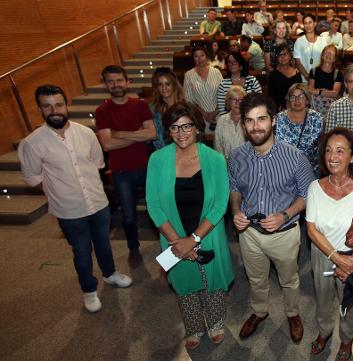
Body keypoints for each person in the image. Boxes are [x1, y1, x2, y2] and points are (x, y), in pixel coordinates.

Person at [19, 85, 132, 313]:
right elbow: (32, 177)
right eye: (47, 106)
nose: (54, 110)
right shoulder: (32, 143)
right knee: (81, 251)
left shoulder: (86, 133)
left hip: (98, 203)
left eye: (58, 104)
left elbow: (98, 163)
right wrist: (57, 191)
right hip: (69, 210)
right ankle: (89, 290)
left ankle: (110, 274)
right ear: (40, 109)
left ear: (66, 104)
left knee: (103, 244)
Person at [145, 101, 234, 349]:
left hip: (207, 232)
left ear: (197, 128)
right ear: (168, 131)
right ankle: (193, 326)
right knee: (184, 283)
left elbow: (220, 204)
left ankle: (215, 322)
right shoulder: (157, 160)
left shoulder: (215, 159)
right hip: (173, 235)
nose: (181, 133)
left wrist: (193, 239)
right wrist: (178, 242)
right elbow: (153, 205)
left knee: (213, 281)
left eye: (186, 126)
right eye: (174, 128)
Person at [229, 93, 315, 343]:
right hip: (250, 234)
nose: (256, 126)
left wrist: (285, 215)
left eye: (261, 119)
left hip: (284, 234)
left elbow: (308, 194)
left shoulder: (294, 156)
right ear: (244, 124)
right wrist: (236, 212)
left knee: (289, 280)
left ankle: (292, 313)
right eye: (249, 121)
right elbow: (234, 188)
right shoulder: (236, 156)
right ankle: (260, 311)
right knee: (256, 279)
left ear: (274, 120)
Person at [306, 127, 353, 361]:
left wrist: (352, 261)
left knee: (350, 302)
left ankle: (347, 339)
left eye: (340, 151)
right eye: (328, 150)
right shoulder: (315, 188)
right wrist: (337, 259)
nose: (332, 156)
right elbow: (311, 229)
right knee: (323, 298)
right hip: (323, 254)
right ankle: (324, 332)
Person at [96, 65, 156, 258]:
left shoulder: (140, 105)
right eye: (111, 81)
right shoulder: (102, 111)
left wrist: (120, 134)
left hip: (147, 167)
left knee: (157, 210)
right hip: (122, 172)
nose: (116, 84)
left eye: (119, 80)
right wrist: (139, 135)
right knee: (129, 216)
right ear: (105, 85)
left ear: (127, 82)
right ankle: (133, 248)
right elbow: (107, 145)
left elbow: (152, 133)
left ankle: (165, 244)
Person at [275, 84, 324, 176]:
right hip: (284, 171)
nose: (297, 100)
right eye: (293, 97)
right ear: (288, 100)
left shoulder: (317, 119)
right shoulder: (279, 118)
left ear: (307, 99)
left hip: (311, 171)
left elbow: (322, 148)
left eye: (301, 96)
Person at [183, 46, 223, 128]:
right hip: (200, 118)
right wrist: (204, 114)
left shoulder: (216, 72)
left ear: (207, 57)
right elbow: (189, 100)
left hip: (219, 115)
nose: (199, 59)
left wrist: (214, 113)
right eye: (196, 56)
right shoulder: (188, 75)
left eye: (202, 55)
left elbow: (223, 94)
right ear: (193, 58)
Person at [216, 52, 262, 116]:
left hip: (251, 116)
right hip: (231, 119)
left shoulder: (252, 80)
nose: (231, 64)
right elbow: (222, 109)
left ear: (241, 65)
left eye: (234, 62)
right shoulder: (223, 84)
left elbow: (259, 102)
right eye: (229, 62)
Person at [149, 67, 184, 151]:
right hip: (160, 151)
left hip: (182, 150)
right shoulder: (152, 108)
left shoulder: (184, 106)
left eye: (167, 84)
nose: (163, 88)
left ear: (174, 85)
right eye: (160, 85)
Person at [308, 44, 343, 117]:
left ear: (335, 59)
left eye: (331, 53)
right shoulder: (313, 71)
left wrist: (318, 91)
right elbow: (310, 90)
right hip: (315, 108)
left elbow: (335, 93)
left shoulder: (338, 73)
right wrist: (327, 92)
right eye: (327, 52)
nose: (328, 55)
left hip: (331, 110)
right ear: (322, 55)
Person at [214, 86, 247, 161]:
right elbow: (218, 147)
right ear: (228, 101)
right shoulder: (221, 121)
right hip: (226, 165)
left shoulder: (249, 120)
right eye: (234, 99)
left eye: (240, 99)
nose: (237, 102)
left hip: (247, 165)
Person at [268, 44, 302, 111]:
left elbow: (301, 92)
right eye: (279, 55)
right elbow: (272, 97)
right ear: (277, 58)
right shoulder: (273, 75)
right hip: (280, 109)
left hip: (296, 106)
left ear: (290, 56)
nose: (282, 57)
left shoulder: (297, 73)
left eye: (285, 54)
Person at [293, 14, 327, 83]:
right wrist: (307, 77)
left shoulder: (323, 40)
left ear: (315, 24)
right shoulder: (299, 41)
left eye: (310, 22)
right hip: (304, 79)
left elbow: (325, 60)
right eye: (305, 23)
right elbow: (298, 62)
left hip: (320, 77)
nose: (308, 25)